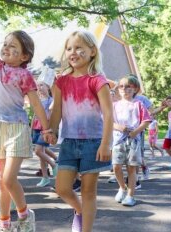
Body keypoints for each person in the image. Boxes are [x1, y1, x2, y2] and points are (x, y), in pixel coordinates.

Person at [0, 1, 51, 231]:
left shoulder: (24, 76)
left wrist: (47, 129)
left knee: (7, 178)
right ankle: (5, 225)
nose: (5, 49)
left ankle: (25, 214)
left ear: (25, 56)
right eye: (5, 44)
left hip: (16, 128)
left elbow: (36, 104)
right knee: (2, 184)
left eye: (13, 47)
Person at [46, 30, 113, 232]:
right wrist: (53, 131)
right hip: (69, 142)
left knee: (88, 191)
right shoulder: (61, 81)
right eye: (69, 48)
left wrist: (105, 144)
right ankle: (80, 211)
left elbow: (109, 114)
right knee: (62, 188)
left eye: (78, 48)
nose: (72, 52)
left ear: (92, 51)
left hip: (93, 143)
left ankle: (86, 229)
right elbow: (56, 110)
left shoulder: (97, 80)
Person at [112, 75, 151, 207]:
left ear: (135, 89)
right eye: (122, 86)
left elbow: (146, 120)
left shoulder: (138, 104)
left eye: (128, 86)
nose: (124, 89)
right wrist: (118, 127)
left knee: (131, 168)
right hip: (118, 140)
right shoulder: (114, 105)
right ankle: (122, 188)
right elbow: (109, 122)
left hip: (133, 140)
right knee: (116, 166)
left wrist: (136, 131)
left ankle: (130, 195)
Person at [32, 80, 57, 187]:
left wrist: (51, 130)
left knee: (38, 151)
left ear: (48, 87)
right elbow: (34, 114)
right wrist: (31, 127)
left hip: (45, 128)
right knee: (41, 154)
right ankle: (45, 177)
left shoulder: (51, 100)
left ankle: (54, 165)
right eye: (38, 86)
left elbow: (51, 115)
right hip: (37, 128)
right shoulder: (38, 100)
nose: (39, 88)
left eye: (42, 85)